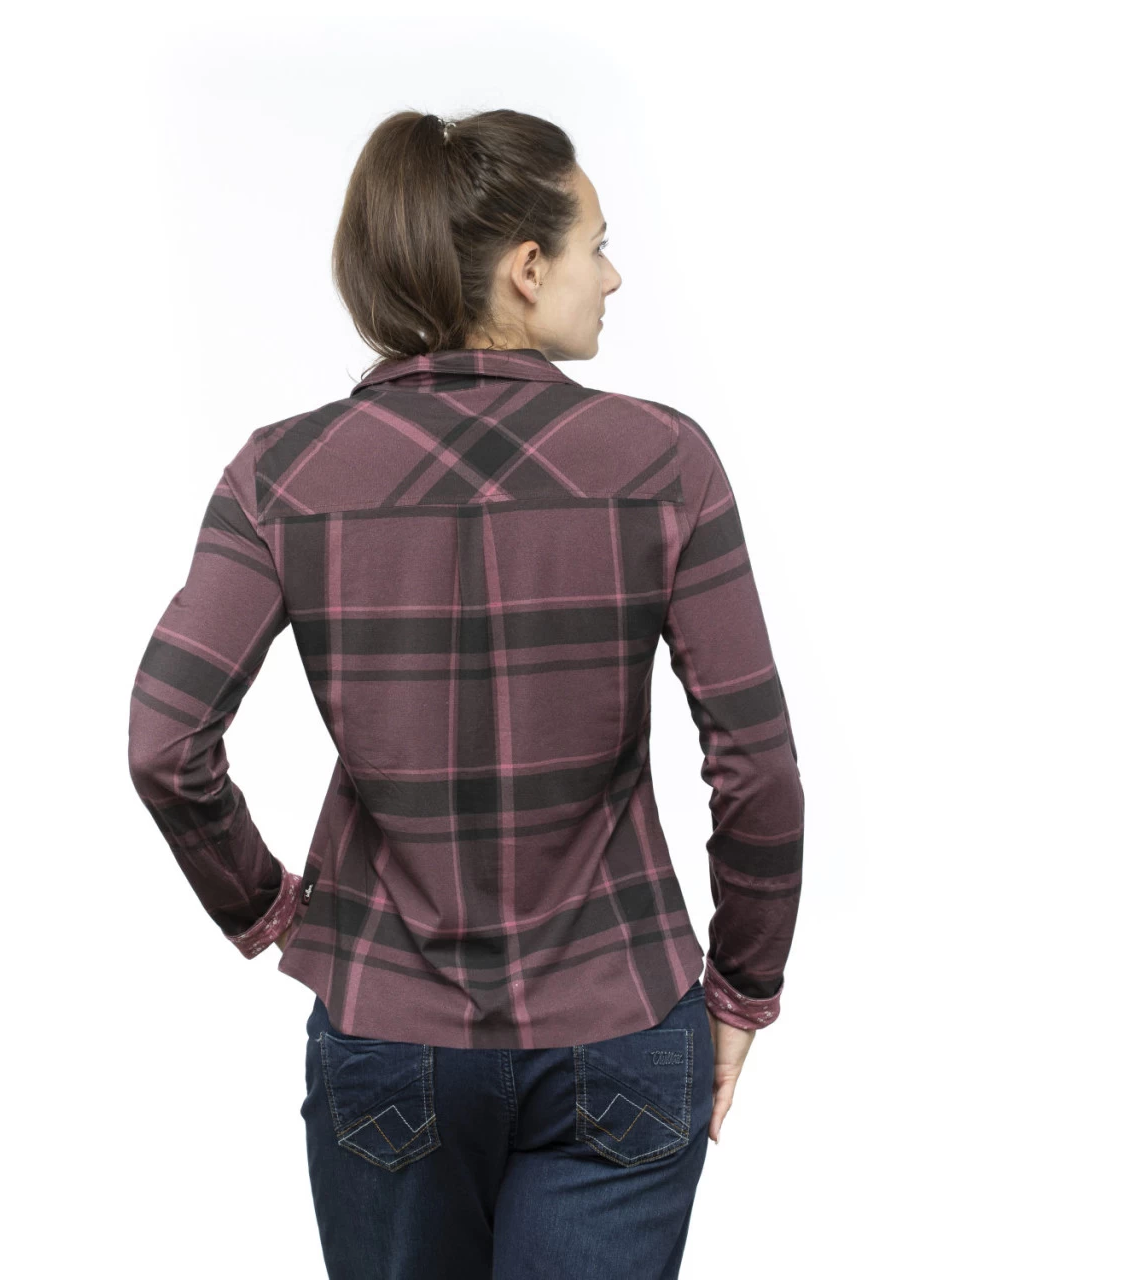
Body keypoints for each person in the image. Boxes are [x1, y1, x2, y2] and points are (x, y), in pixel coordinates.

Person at [127, 107, 804, 1280]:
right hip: (621, 1021)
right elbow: (756, 765)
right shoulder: (663, 463)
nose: (611, 275)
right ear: (526, 268)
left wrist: (269, 910)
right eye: (595, 244)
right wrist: (741, 989)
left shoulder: (279, 475)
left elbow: (163, 739)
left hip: (388, 1027)